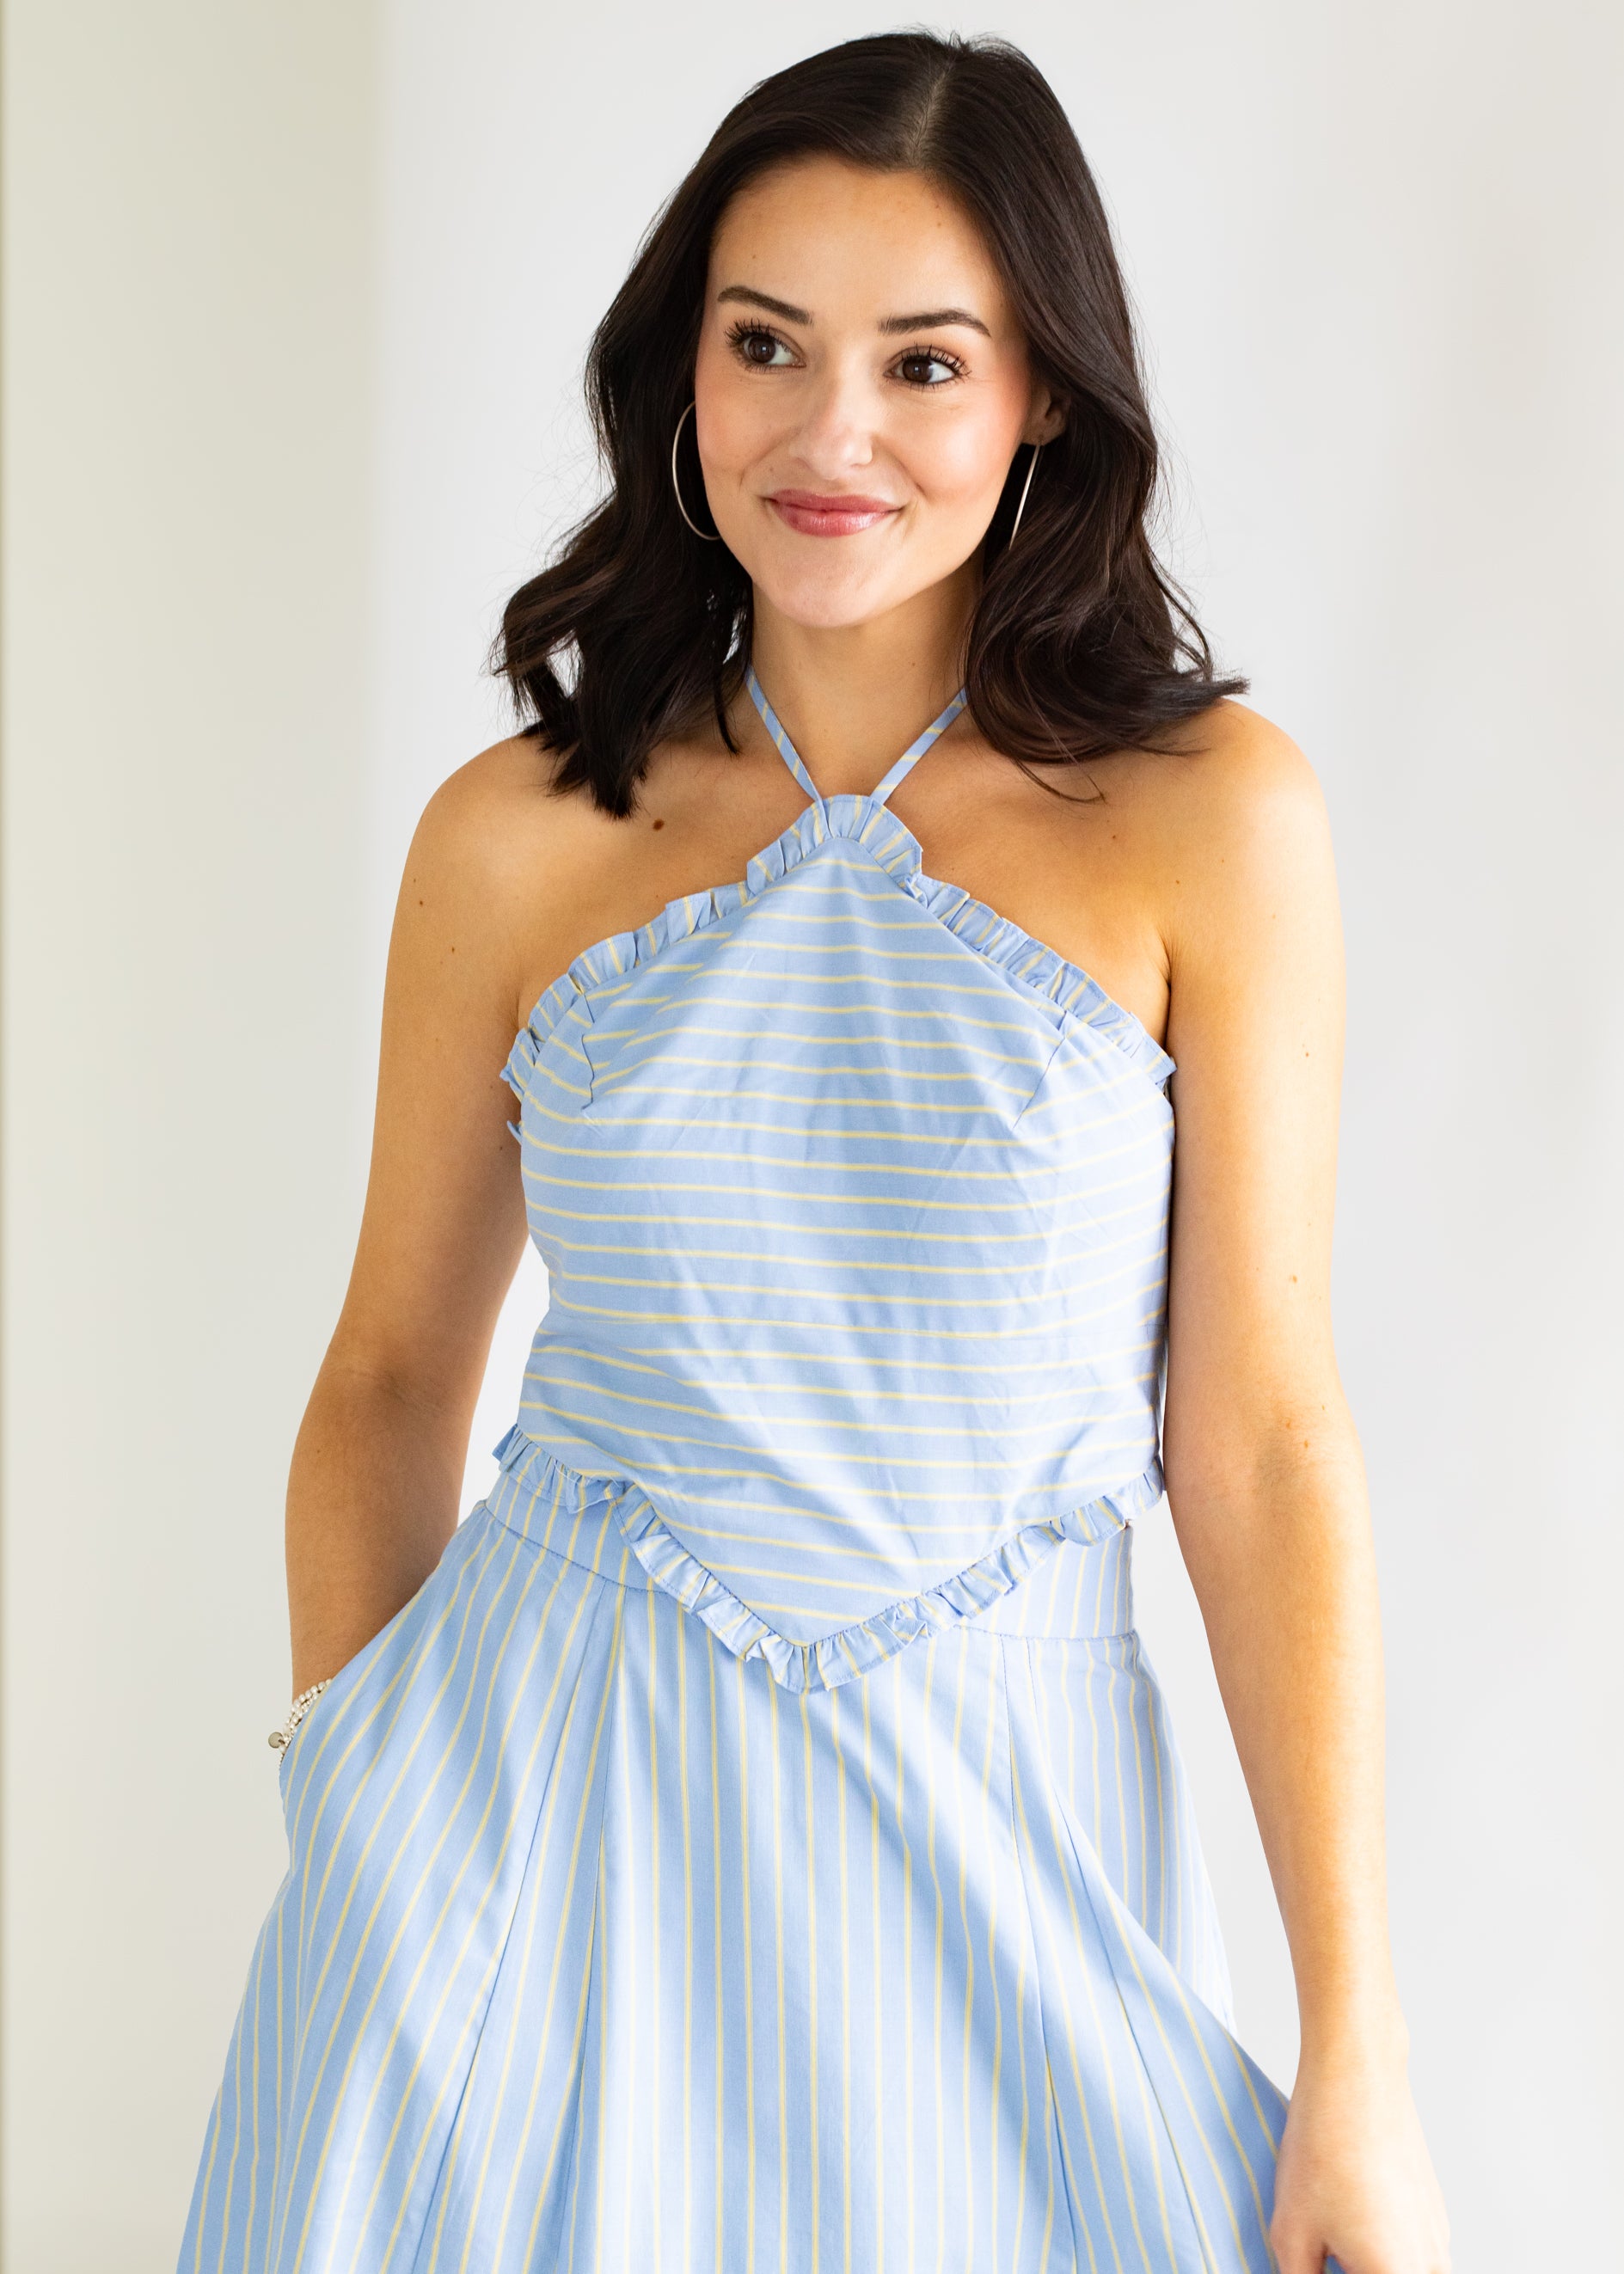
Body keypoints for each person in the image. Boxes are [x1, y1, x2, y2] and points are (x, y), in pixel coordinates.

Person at [180, 31, 1448, 2274]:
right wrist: (354, 1819)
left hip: (1010, 1831)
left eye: (922, 362)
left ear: (1042, 391)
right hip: (526, 1843)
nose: (827, 432)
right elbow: (388, 1379)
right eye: (762, 343)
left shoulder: (1210, 822)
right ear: (684, 364)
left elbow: (1254, 1434)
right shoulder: (517, 838)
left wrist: (1354, 2048)